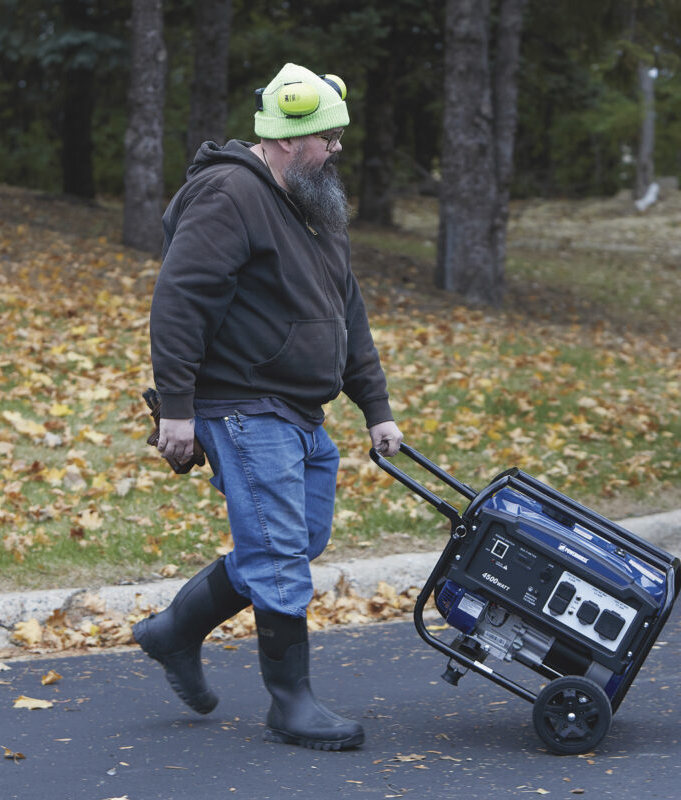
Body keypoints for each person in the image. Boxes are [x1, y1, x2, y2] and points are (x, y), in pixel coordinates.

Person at [132, 63, 403, 752]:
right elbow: (179, 300)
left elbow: (347, 310)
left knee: (295, 542)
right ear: (286, 138)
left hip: (299, 412)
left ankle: (174, 631)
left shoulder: (314, 201)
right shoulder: (230, 195)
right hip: (242, 407)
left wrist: (376, 406)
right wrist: (178, 411)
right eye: (326, 137)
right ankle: (291, 704)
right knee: (279, 553)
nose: (337, 148)